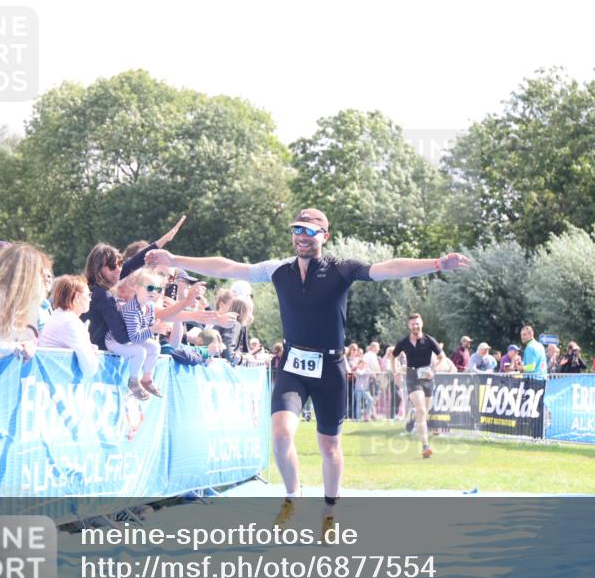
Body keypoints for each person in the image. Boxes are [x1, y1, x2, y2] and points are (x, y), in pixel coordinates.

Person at [146, 207, 469, 533]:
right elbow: (228, 266)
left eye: (310, 231)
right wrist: (174, 260)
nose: (302, 236)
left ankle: (329, 511)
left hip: (331, 368)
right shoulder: (278, 270)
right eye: (297, 229)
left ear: (324, 237)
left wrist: (437, 264)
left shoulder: (342, 268)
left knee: (330, 447)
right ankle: (293, 497)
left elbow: (388, 268)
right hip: (293, 365)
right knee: (282, 433)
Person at [81, 215, 187, 351]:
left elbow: (134, 262)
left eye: (120, 263)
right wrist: (150, 330)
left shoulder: (101, 285)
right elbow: (122, 337)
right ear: (97, 268)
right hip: (101, 357)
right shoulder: (101, 294)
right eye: (112, 266)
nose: (118, 269)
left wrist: (163, 240)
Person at [105, 268, 166, 400]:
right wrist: (153, 329)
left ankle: (147, 379)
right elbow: (135, 337)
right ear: (137, 288)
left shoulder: (149, 306)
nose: (154, 292)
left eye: (158, 289)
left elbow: (144, 331)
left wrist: (155, 329)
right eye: (150, 288)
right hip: (114, 341)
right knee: (140, 351)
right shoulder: (131, 309)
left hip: (130, 339)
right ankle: (133, 380)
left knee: (155, 347)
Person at [390, 313, 443, 458]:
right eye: (413, 324)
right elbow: (393, 356)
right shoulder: (404, 341)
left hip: (427, 377)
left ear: (422, 324)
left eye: (417, 323)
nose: (415, 326)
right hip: (412, 376)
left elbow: (441, 357)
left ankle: (412, 417)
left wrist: (434, 370)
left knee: (423, 412)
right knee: (421, 409)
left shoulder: (429, 340)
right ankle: (426, 446)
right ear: (409, 326)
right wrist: (395, 372)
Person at [39, 275, 101, 376]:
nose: (90, 299)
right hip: (58, 382)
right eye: (88, 295)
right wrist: (92, 353)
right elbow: (90, 368)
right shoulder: (70, 322)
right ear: (77, 297)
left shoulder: (58, 316)